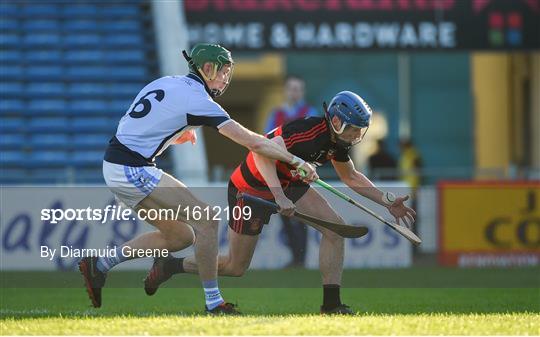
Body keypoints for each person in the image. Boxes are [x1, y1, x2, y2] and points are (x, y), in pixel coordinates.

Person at [78, 43, 318, 315]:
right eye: (223, 71)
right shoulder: (199, 101)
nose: (226, 78)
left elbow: (144, 121)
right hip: (132, 167)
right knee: (206, 219)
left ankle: (99, 266)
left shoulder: (168, 82)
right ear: (207, 68)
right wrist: (295, 160)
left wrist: (179, 134)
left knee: (180, 236)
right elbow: (253, 142)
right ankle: (214, 303)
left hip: (117, 164)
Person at [143, 91, 416, 314]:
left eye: (360, 131)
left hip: (288, 184)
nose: (357, 136)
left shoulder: (339, 144)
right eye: (353, 130)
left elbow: (351, 177)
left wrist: (386, 201)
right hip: (249, 187)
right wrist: (278, 196)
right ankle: (170, 266)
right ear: (336, 122)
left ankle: (331, 306)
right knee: (235, 267)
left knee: (335, 230)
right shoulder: (306, 131)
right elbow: (262, 152)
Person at [265, 75, 318, 267]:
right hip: (280, 173)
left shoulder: (310, 113)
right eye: (291, 88)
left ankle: (300, 258)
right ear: (286, 91)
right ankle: (296, 257)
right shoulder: (276, 114)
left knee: (303, 215)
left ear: (302, 92)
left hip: (300, 173)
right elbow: (266, 141)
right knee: (285, 215)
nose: (294, 92)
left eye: (298, 89)